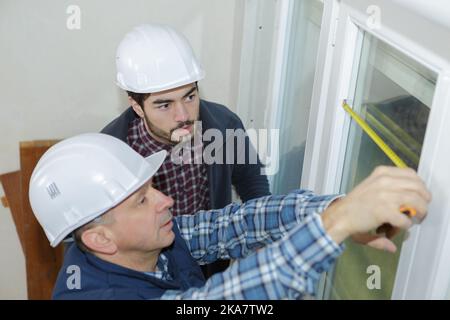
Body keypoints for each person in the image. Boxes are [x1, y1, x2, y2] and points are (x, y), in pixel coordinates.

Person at [29, 133, 431, 300]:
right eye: (140, 200)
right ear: (100, 239)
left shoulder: (143, 244)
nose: (165, 200)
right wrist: (337, 224)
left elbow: (237, 224)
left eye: (152, 187)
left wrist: (330, 209)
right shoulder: (97, 296)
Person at [102, 24, 271, 276]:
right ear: (137, 106)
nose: (183, 116)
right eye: (164, 105)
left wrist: (262, 235)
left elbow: (251, 181)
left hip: (212, 269)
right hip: (153, 277)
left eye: (190, 97)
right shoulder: (111, 154)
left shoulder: (223, 125)